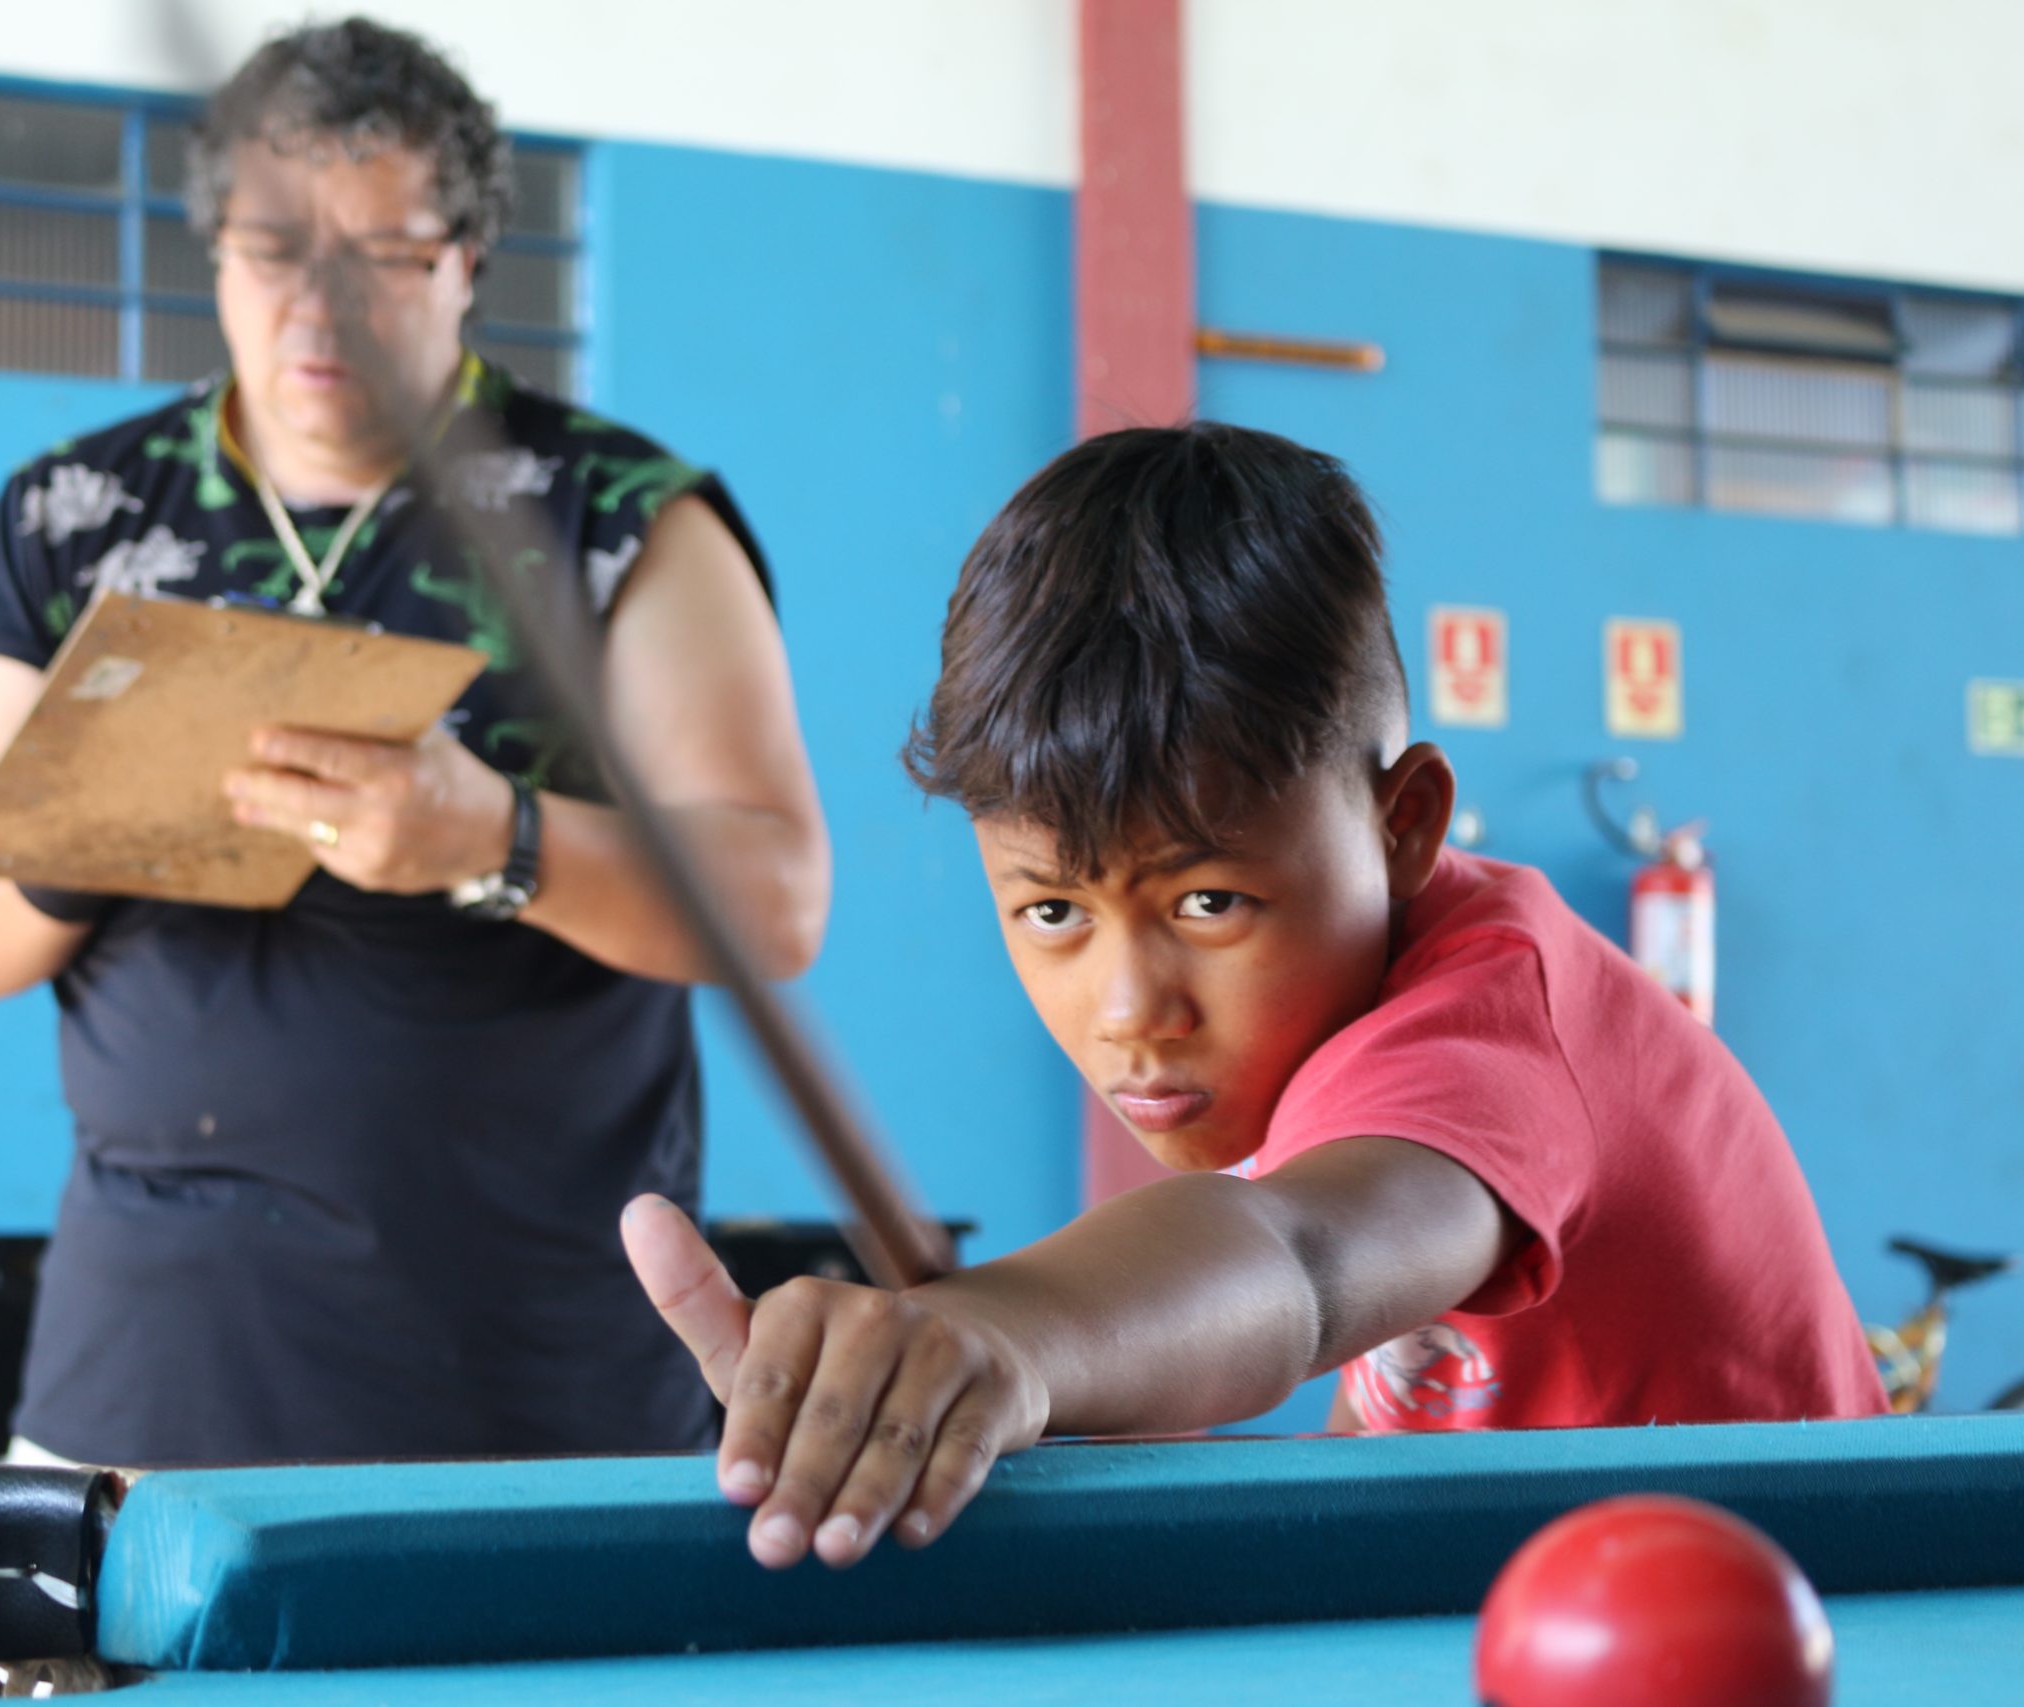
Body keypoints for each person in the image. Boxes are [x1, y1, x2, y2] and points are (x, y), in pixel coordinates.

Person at [620, 423, 1886, 1571]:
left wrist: (1001, 1329)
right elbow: (1372, 1369)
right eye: (1053, 912)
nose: (1128, 1008)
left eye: (1207, 903)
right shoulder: (1322, 1051)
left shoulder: (1495, 1018)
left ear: (1403, 824)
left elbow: (1304, 1260)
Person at [0, 19, 829, 1465]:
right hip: (145, 1383)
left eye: (381, 255)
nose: (318, 308)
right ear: (215, 254)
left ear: (465, 262)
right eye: (270, 249)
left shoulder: (619, 515)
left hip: (539, 1384)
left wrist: (496, 840)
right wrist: (105, 816)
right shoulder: (70, 518)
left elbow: (775, 899)